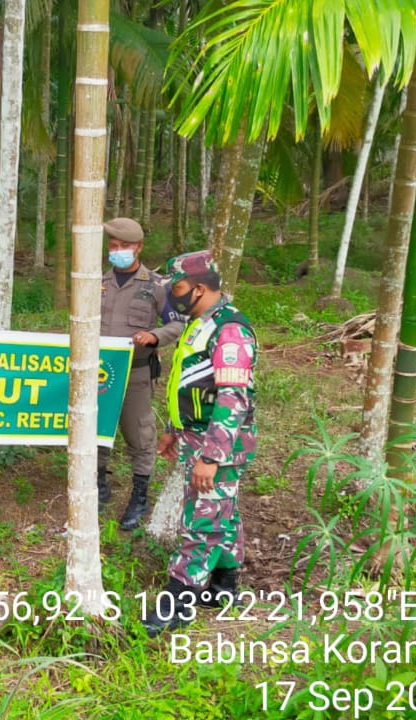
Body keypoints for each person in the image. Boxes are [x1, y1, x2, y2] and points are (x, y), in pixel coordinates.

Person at [140, 249, 257, 637]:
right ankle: (224, 585)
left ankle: (180, 596)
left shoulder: (230, 330)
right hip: (196, 435)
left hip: (218, 443)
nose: (172, 294)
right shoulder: (199, 323)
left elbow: (232, 397)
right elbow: (190, 381)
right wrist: (175, 428)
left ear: (200, 288)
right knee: (223, 510)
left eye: (178, 287)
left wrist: (211, 455)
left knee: (202, 519)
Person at [97, 217, 183, 530]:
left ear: (139, 248)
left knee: (140, 434)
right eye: (113, 246)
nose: (117, 251)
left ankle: (139, 495)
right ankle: (99, 486)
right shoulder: (98, 283)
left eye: (124, 247)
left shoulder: (156, 286)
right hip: (99, 373)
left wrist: (155, 336)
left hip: (136, 372)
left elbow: (176, 323)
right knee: (97, 429)